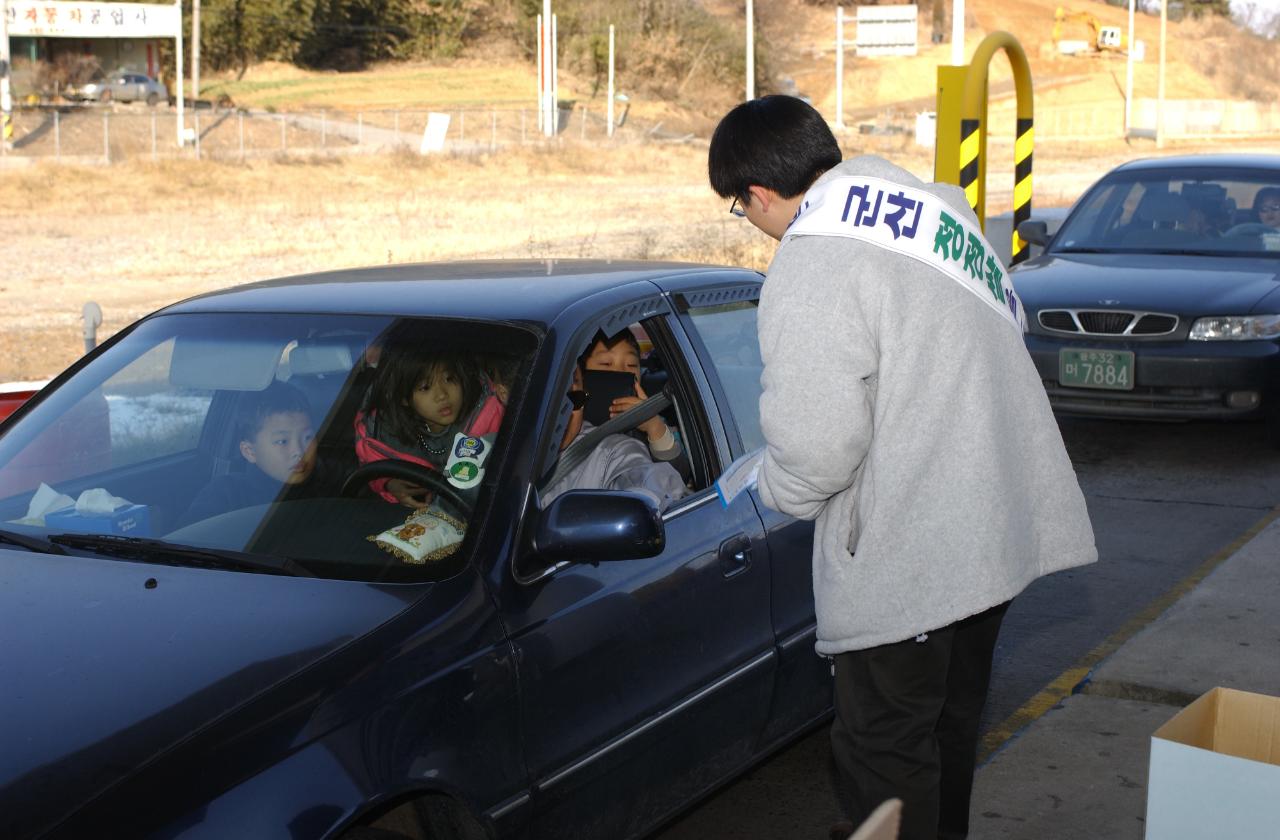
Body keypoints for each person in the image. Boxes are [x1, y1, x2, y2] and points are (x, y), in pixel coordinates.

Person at [707, 95, 1097, 840]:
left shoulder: (816, 255)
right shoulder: (937, 214)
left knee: (883, 759)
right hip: (994, 535)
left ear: (758, 193)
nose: (751, 225)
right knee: (946, 735)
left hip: (914, 552)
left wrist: (773, 488)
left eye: (740, 208)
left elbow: (818, 449)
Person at [354, 347, 504, 508]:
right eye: (425, 387)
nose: (441, 395)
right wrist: (389, 484)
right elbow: (372, 468)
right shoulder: (384, 432)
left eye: (449, 379)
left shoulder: (490, 419)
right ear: (404, 398)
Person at [542, 360, 688, 513]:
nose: (561, 414)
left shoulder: (611, 452)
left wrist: (654, 425)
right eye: (546, 400)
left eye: (574, 398)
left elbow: (650, 482)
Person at [182, 382, 317, 524]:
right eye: (282, 441)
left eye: (307, 437)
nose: (299, 451)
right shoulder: (226, 495)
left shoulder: (328, 487)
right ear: (250, 451)